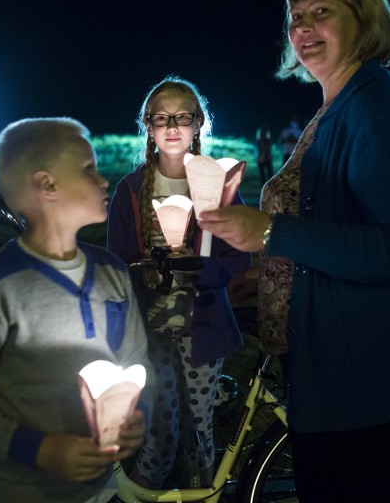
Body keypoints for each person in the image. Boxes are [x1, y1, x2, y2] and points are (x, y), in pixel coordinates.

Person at [198, 0, 390, 502]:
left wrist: (270, 232)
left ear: (362, 21)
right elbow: (333, 222)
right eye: (295, 15)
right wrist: (269, 272)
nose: (303, 27)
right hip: (329, 369)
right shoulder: (336, 105)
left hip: (364, 373)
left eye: (322, 11)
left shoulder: (376, 106)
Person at [0, 117, 152, 503]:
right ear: (47, 184)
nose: (103, 181)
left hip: (101, 491)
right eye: (88, 170)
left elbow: (136, 363)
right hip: (18, 492)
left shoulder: (112, 273)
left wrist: (137, 417)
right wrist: (41, 450)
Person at [107, 76, 251, 489]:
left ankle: (199, 492)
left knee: (199, 430)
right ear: (148, 127)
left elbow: (239, 257)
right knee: (160, 431)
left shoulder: (219, 186)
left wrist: (199, 270)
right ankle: (144, 494)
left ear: (198, 124)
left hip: (202, 327)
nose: (172, 126)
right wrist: (144, 272)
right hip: (150, 333)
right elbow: (118, 266)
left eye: (182, 117)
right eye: (162, 118)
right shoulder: (130, 190)